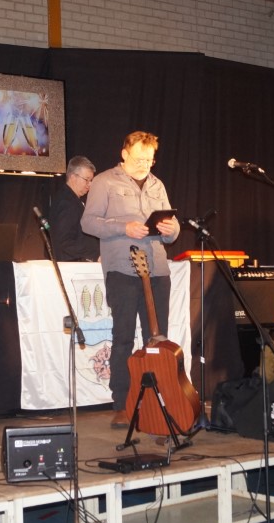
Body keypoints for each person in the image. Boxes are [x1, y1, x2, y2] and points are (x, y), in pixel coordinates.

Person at [81, 131, 179, 428]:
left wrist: (170, 229)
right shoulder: (104, 182)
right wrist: (125, 228)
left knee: (158, 339)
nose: (144, 165)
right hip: (122, 269)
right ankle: (123, 403)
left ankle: (158, 401)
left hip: (157, 270)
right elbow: (88, 222)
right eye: (139, 159)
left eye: (149, 160)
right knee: (123, 337)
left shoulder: (157, 184)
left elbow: (173, 230)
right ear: (124, 154)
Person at [46, 156, 100, 262]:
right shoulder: (66, 202)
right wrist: (94, 255)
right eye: (87, 180)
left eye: (91, 180)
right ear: (73, 177)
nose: (90, 184)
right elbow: (64, 242)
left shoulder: (70, 199)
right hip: (73, 266)